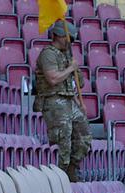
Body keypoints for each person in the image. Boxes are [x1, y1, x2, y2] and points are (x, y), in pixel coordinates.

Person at [35, 21, 91, 182]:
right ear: (59, 35)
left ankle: (72, 168)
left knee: (84, 136)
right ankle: (60, 176)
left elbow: (78, 83)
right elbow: (52, 79)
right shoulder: (48, 54)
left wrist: (78, 101)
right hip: (53, 100)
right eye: (68, 38)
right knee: (62, 141)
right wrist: (70, 69)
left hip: (68, 99)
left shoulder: (67, 56)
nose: (70, 41)